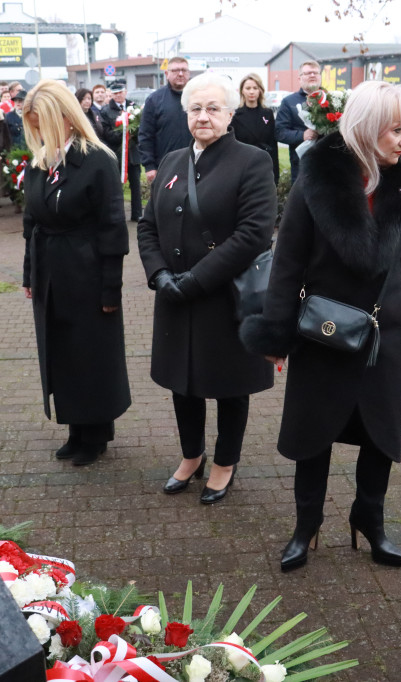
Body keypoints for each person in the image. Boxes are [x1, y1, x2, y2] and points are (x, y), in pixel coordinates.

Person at [240, 81, 401, 571]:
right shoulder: (317, 179)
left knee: (380, 436)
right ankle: (306, 525)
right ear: (367, 127)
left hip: (385, 334)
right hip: (323, 333)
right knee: (312, 434)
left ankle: (369, 521)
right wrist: (277, 331)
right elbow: (287, 263)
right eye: (397, 130)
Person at [137, 73, 277, 505]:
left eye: (213, 108)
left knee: (230, 385)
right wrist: (159, 274)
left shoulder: (252, 161)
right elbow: (147, 226)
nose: (203, 116)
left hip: (224, 296)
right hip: (175, 295)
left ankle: (224, 463)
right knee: (182, 382)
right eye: (195, 108)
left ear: (230, 113)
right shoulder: (173, 160)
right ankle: (191, 455)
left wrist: (196, 280)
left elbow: (254, 234)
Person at [21, 79, 131, 467]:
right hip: (51, 272)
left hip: (86, 273)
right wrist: (30, 275)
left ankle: (95, 434)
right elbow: (31, 222)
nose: (38, 133)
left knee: (89, 355)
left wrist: (110, 289)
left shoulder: (97, 160)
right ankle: (74, 427)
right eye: (33, 126)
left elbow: (113, 228)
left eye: (43, 124)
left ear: (65, 118)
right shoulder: (41, 162)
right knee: (62, 353)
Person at [138, 57, 193, 185]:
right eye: (175, 70)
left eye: (184, 70)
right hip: (165, 165)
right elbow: (145, 134)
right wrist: (149, 166)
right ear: (167, 74)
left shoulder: (199, 97)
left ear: (189, 73)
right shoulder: (154, 100)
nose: (180, 74)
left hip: (195, 163)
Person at [99, 81, 142, 221]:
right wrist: (124, 134)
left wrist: (133, 134)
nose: (118, 95)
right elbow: (105, 133)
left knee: (136, 186)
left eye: (120, 92)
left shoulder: (134, 107)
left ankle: (137, 214)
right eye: (115, 93)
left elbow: (142, 128)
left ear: (125, 92)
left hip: (133, 154)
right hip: (116, 154)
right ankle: (117, 215)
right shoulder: (106, 111)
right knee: (116, 187)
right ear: (111, 94)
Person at [275, 61, 322, 184]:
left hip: (329, 163)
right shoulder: (289, 102)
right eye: (308, 73)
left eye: (315, 73)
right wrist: (302, 135)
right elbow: (279, 132)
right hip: (302, 165)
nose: (312, 75)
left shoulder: (332, 99)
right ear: (299, 78)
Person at [231, 73, 280, 185]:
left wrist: (275, 175)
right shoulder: (235, 115)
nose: (251, 92)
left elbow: (273, 144)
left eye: (255, 88)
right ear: (242, 91)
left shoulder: (267, 113)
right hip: (243, 167)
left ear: (260, 90)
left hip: (263, 166)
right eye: (248, 88)